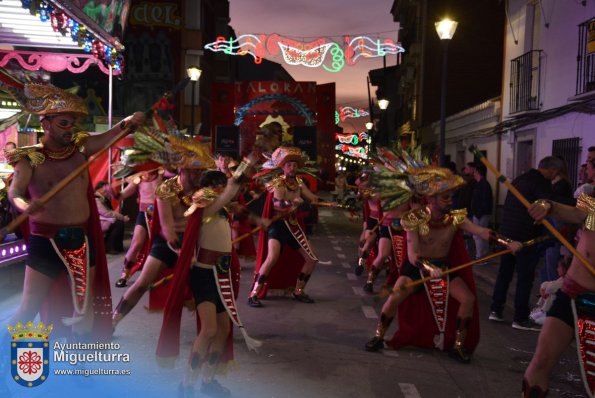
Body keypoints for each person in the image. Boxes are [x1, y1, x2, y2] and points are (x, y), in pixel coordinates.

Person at [5, 83, 145, 340]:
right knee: (28, 307)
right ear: (46, 123)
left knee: (84, 308)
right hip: (45, 240)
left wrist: (127, 122)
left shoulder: (80, 148)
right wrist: (26, 205)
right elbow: (15, 194)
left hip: (80, 240)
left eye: (72, 124)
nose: (70, 129)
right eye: (64, 123)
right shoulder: (30, 158)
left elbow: (110, 136)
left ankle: (79, 364)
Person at [364, 165, 522, 363]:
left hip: (444, 267)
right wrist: (430, 268)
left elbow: (482, 231)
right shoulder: (414, 219)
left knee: (468, 299)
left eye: (450, 197)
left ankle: (458, 346)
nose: (450, 201)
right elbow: (413, 255)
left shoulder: (455, 218)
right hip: (418, 268)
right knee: (394, 297)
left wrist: (508, 243)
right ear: (431, 199)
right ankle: (379, 335)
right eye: (445, 197)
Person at [157, 156, 265, 398]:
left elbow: (231, 198)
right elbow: (229, 192)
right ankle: (186, 384)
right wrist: (245, 165)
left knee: (223, 330)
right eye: (217, 187)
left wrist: (227, 172)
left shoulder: (219, 209)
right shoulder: (205, 206)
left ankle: (207, 379)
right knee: (208, 330)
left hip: (222, 275)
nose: (221, 191)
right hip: (205, 275)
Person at [112, 140, 210, 329]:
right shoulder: (165, 190)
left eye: (200, 171)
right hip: (168, 242)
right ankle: (114, 320)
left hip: (194, 242)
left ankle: (210, 330)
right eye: (194, 170)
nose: (198, 174)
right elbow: (167, 229)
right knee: (141, 283)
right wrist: (183, 253)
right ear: (182, 170)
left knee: (205, 287)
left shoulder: (203, 191)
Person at [522, 160, 595, 397]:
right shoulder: (591, 195)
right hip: (573, 292)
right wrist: (548, 205)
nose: (590, 169)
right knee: (541, 361)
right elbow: (577, 214)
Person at [489, 156, 568, 331]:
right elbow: (548, 206)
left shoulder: (520, 179)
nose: (555, 175)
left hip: (507, 234)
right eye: (556, 172)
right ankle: (520, 318)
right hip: (525, 237)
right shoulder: (542, 184)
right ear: (551, 169)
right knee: (525, 278)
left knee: (505, 273)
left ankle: (496, 309)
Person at [247, 146, 323, 307]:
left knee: (312, 258)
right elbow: (277, 204)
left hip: (294, 226)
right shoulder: (279, 183)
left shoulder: (299, 182)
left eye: (295, 165)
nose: (292, 168)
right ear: (283, 167)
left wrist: (317, 200)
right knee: (272, 257)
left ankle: (299, 291)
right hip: (279, 226)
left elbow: (311, 197)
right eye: (289, 165)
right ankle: (254, 293)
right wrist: (293, 203)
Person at [113, 166, 163, 287]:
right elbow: (122, 195)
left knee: (159, 245)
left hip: (161, 214)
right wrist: (113, 191)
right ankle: (124, 274)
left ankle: (158, 275)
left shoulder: (162, 173)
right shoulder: (138, 179)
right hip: (144, 214)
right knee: (136, 243)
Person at [94, 180, 129, 254]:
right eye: (105, 190)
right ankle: (110, 247)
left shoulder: (103, 198)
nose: (107, 192)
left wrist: (121, 217)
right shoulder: (96, 199)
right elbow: (106, 213)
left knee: (119, 222)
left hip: (103, 219)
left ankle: (117, 247)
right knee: (118, 223)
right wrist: (122, 217)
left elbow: (108, 213)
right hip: (97, 222)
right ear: (99, 189)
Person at [469, 163, 493, 260]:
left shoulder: (483, 185)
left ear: (478, 172)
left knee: (478, 235)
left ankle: (480, 256)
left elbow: (484, 201)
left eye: (474, 172)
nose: (473, 174)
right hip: (481, 213)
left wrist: (478, 213)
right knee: (482, 234)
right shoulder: (483, 184)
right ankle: (484, 254)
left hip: (480, 214)